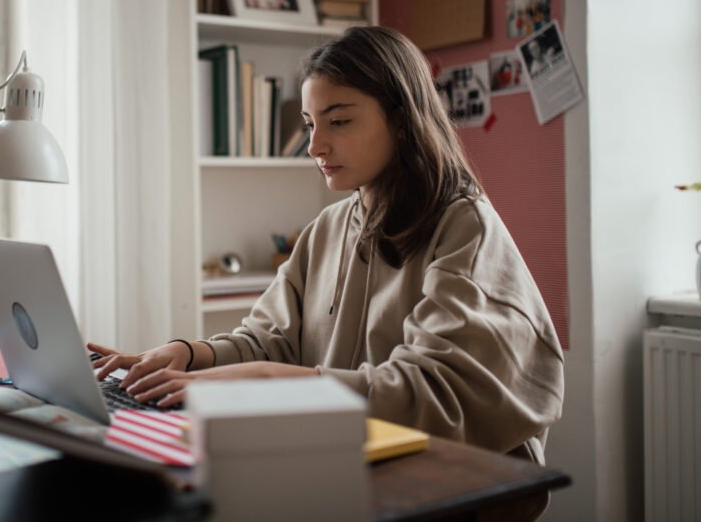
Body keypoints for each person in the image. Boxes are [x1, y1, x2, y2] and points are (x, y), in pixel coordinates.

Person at [89, 27, 564, 471]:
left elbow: (432, 393)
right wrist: (188, 355)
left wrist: (262, 382)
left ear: (401, 121)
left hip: (442, 478)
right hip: (342, 462)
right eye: (309, 123)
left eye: (337, 121)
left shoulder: (464, 226)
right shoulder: (328, 227)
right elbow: (269, 340)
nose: (315, 145)